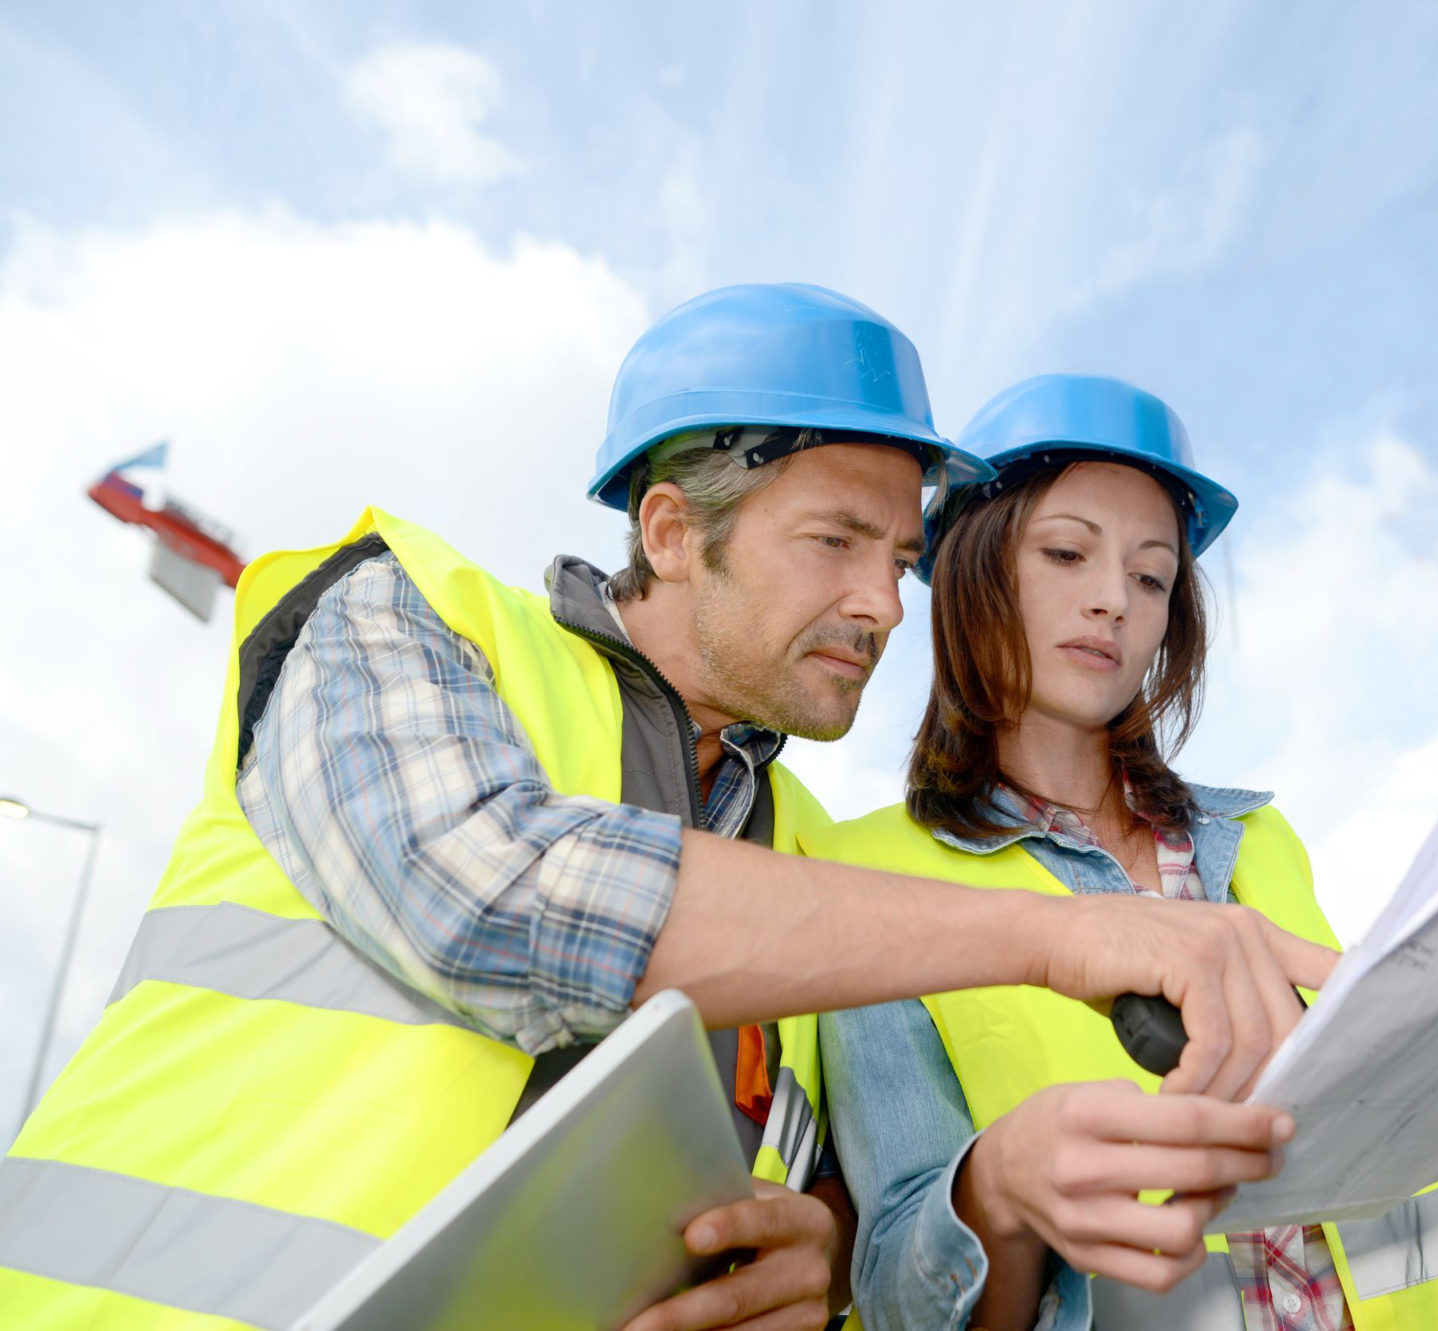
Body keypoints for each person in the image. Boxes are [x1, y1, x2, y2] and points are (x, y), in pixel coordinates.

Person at [0, 291, 1335, 1331]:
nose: (884, 603)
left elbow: (811, 1197)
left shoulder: (811, 853)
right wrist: (1058, 935)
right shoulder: (400, 608)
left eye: (901, 557)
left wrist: (810, 1261)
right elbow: (497, 899)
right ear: (672, 530)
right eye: (835, 541)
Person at [809, 374, 1438, 1330]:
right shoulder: (867, 883)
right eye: (1067, 553)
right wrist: (1002, 1188)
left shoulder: (1261, 842)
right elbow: (899, 1285)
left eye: (1151, 575)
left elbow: (1407, 1162)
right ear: (973, 574)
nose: (1113, 600)